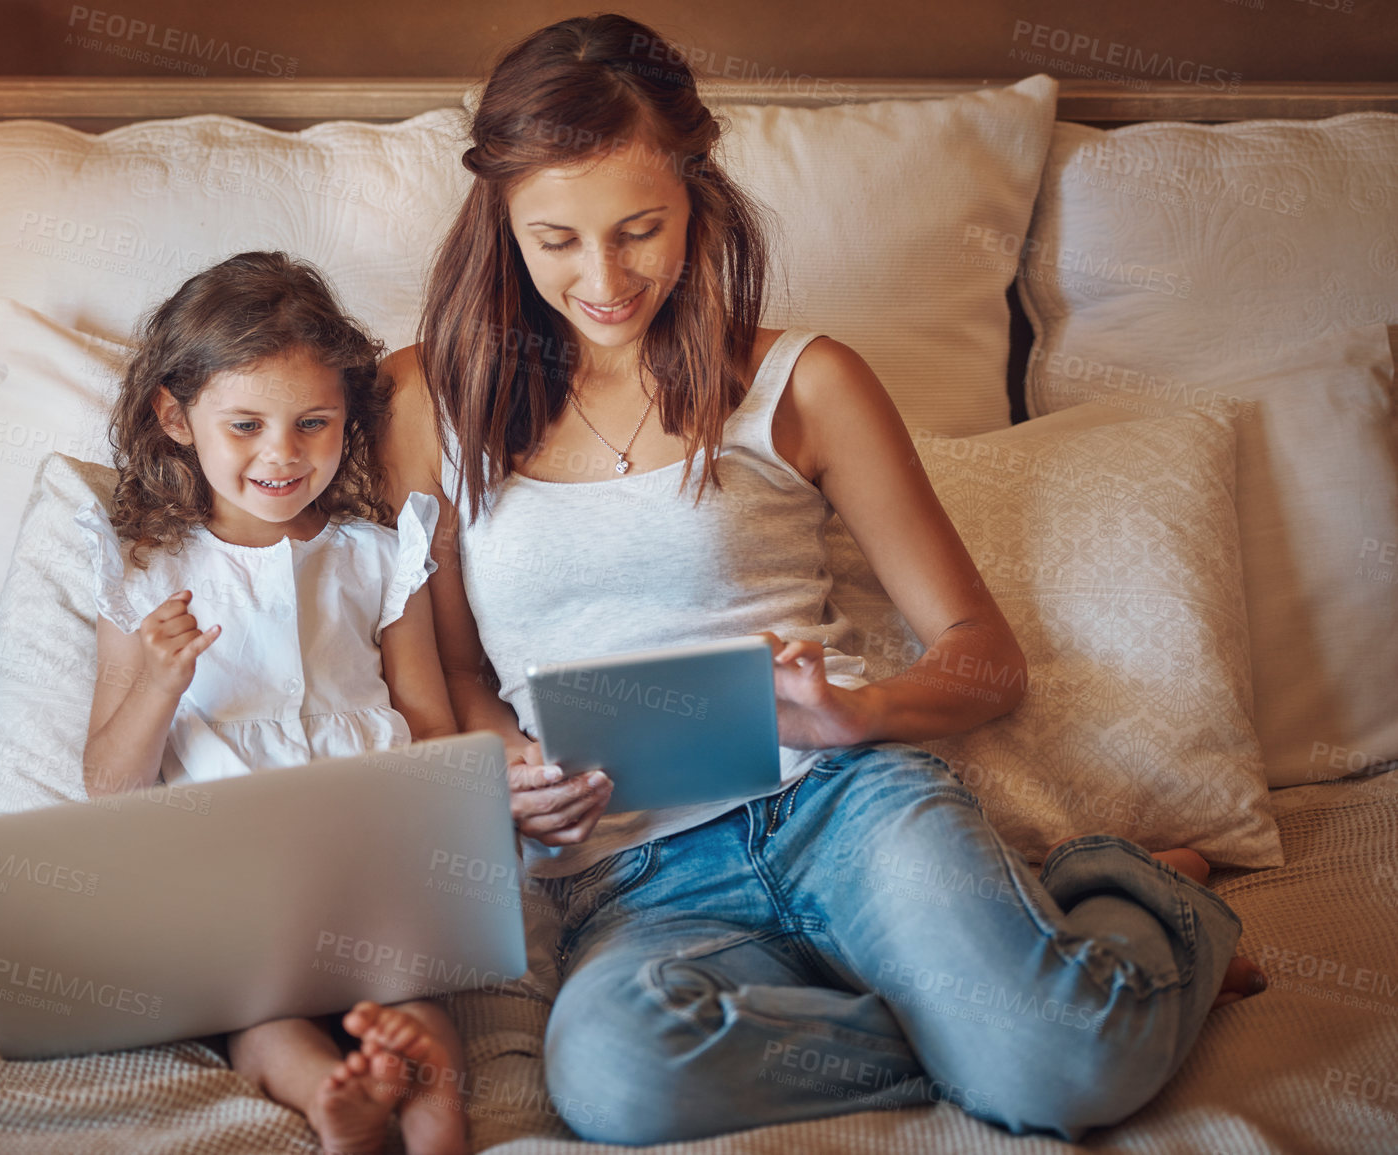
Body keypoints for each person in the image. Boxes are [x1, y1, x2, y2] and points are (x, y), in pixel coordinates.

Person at [377, 14, 1266, 1146]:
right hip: (633, 873)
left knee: (1063, 1069)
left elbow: (984, 661)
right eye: (556, 240)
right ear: (498, 217)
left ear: (698, 196)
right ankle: (1002, 989)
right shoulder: (424, 401)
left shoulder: (805, 381)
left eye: (640, 231)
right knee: (613, 1081)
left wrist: (863, 711)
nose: (603, 279)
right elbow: (450, 674)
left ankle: (1141, 900)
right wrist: (500, 763)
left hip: (842, 806)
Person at [79, 251, 468, 1155]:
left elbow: (432, 728)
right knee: (262, 1021)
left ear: (348, 420)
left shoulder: (380, 557)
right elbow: (107, 784)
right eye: (245, 424)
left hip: (368, 869)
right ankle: (337, 1101)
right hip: (229, 890)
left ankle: (434, 1110)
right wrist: (158, 682)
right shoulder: (146, 571)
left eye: (313, 422)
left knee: (421, 1009)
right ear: (174, 417)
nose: (282, 454)